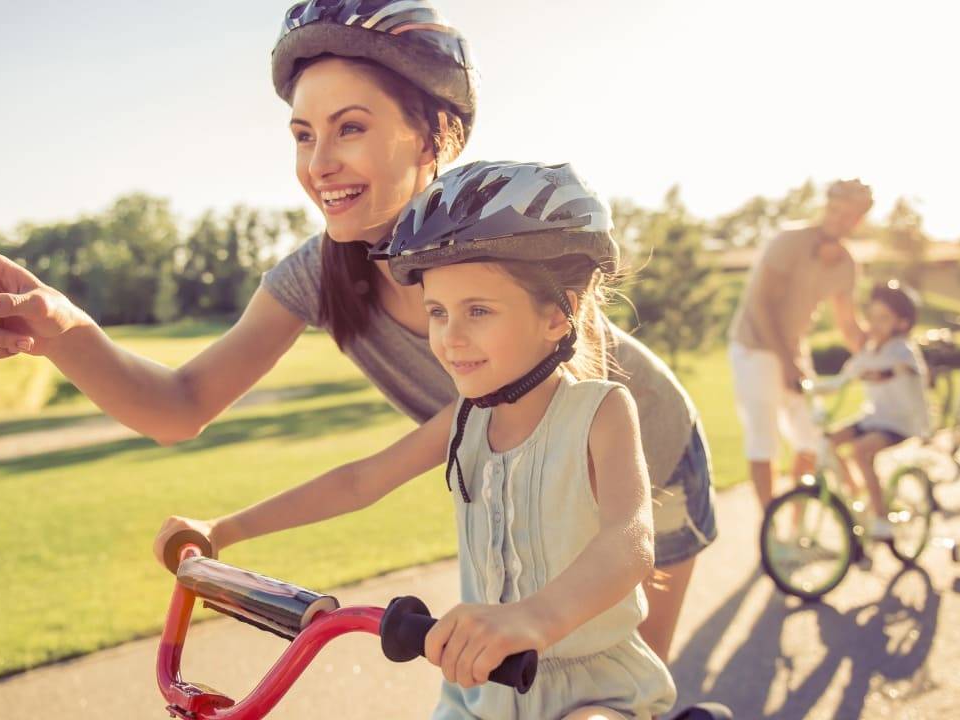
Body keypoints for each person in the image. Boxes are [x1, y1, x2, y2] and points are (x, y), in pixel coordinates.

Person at [0, 0, 714, 663]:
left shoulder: (505, 242)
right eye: (303, 134)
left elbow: (570, 426)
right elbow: (181, 405)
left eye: (350, 127)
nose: (319, 164)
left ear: (434, 135)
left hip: (637, 472)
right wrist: (58, 326)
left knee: (603, 682)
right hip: (504, 474)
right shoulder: (321, 272)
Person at [155, 161, 677, 719]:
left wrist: (535, 618)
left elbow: (630, 540)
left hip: (593, 694)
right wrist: (225, 530)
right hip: (481, 693)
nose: (450, 338)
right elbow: (360, 481)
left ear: (559, 315)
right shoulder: (463, 421)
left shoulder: (599, 411)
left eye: (478, 310)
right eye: (437, 312)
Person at [726, 179, 873, 510]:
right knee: (765, 441)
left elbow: (848, 324)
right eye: (834, 210)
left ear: (858, 220)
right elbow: (761, 305)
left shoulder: (847, 264)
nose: (838, 218)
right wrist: (787, 362)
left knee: (810, 439)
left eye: (848, 215)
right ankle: (770, 527)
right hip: (755, 347)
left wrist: (879, 356)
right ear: (826, 206)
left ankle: (796, 523)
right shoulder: (789, 242)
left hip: (793, 350)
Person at [825, 280, 929, 539]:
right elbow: (843, 378)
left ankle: (882, 518)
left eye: (883, 318)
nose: (874, 324)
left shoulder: (903, 350)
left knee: (860, 452)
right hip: (874, 417)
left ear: (902, 324)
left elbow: (905, 368)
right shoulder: (869, 351)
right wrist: (812, 386)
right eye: (871, 317)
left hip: (901, 423)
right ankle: (858, 490)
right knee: (828, 442)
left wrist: (886, 372)